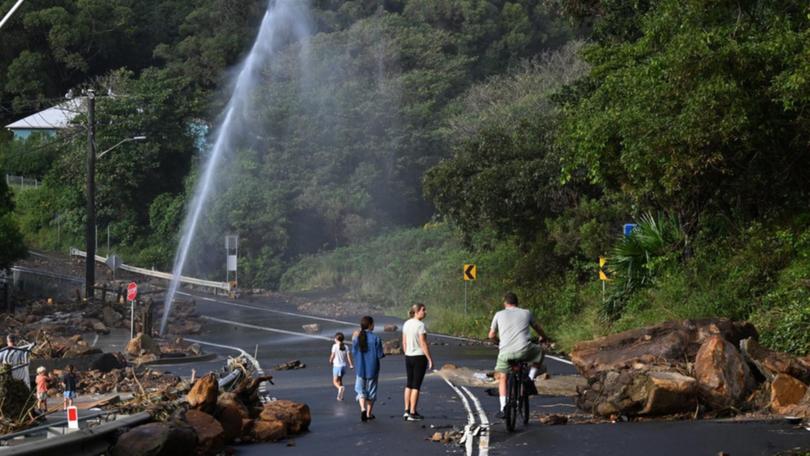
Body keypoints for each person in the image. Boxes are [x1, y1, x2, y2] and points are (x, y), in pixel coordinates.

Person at [488, 292, 549, 418]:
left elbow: (491, 335)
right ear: (517, 303)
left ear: (505, 303)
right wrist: (544, 337)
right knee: (541, 350)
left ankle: (503, 408)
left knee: (503, 378)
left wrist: (498, 343)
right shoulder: (526, 312)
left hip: (505, 353)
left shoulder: (498, 314)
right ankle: (530, 378)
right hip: (524, 350)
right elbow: (537, 327)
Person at [402, 303, 433, 421]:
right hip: (419, 357)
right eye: (423, 310)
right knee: (416, 385)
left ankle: (406, 410)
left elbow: (404, 342)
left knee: (409, 383)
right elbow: (423, 344)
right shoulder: (420, 325)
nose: (425, 312)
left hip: (409, 356)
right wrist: (429, 359)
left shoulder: (406, 323)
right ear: (416, 312)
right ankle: (413, 412)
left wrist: (406, 353)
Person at [352, 316, 384, 422]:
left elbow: (353, 352)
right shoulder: (376, 339)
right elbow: (380, 355)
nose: (374, 325)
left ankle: (363, 409)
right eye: (373, 324)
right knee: (371, 391)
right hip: (373, 368)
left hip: (360, 368)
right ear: (370, 325)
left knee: (360, 390)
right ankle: (369, 414)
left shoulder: (357, 338)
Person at [329, 332, 354, 400]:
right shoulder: (346, 347)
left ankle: (340, 388)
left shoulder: (334, 346)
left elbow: (332, 355)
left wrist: (330, 361)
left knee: (334, 382)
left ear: (336, 339)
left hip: (337, 366)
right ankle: (340, 396)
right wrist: (351, 365)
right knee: (340, 380)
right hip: (343, 367)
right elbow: (349, 357)